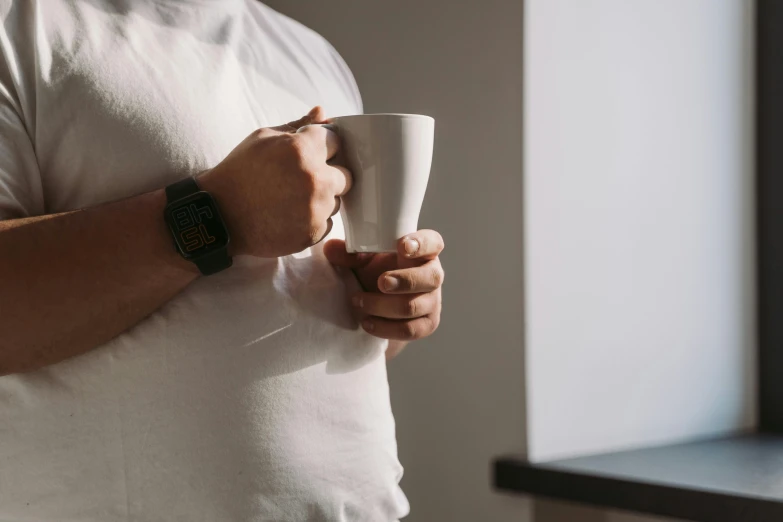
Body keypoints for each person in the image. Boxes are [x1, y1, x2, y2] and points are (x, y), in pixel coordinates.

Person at [0, 0, 444, 520]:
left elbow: (326, 324)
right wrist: (219, 215)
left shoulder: (313, 53)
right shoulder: (18, 28)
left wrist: (390, 303)